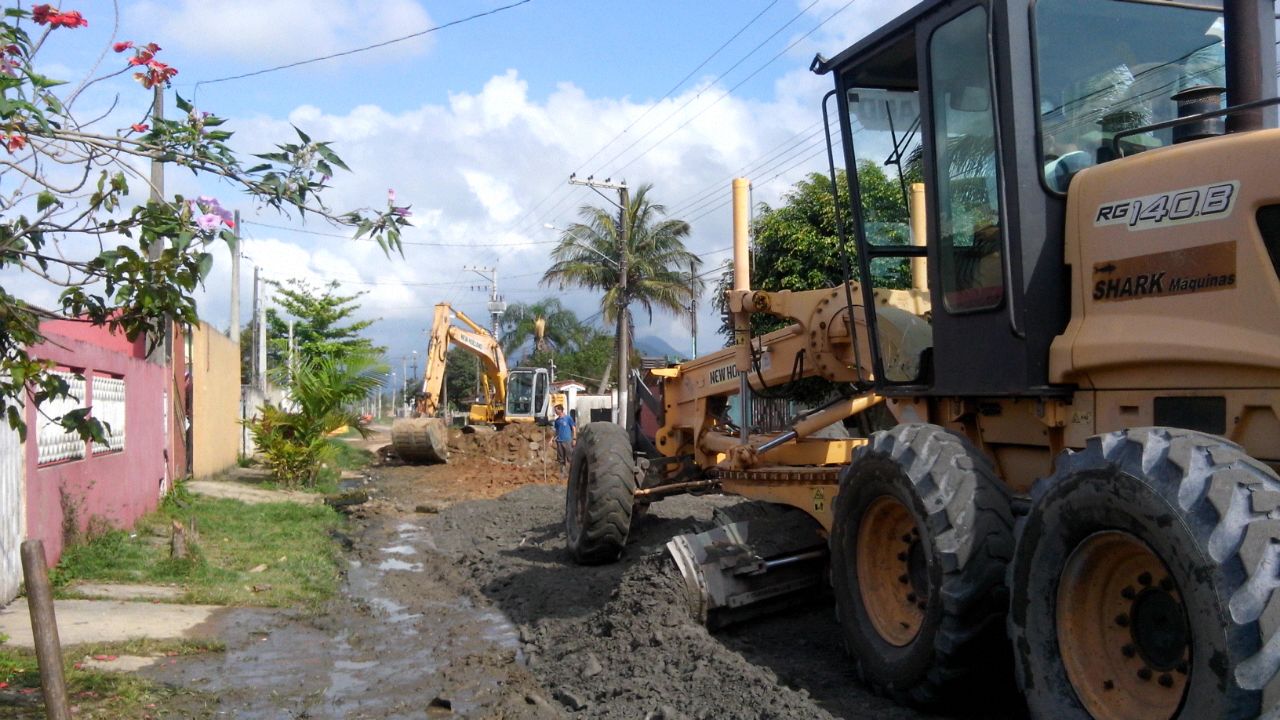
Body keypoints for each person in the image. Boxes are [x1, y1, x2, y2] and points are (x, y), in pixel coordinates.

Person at [549, 404, 577, 478]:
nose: (555, 412)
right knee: (561, 458)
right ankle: (562, 473)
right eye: (555, 410)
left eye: (556, 410)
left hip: (567, 440)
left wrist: (574, 438)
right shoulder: (557, 421)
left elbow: (573, 428)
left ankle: (572, 473)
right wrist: (552, 439)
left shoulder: (568, 418)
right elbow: (556, 431)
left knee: (570, 457)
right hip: (559, 441)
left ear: (560, 410)